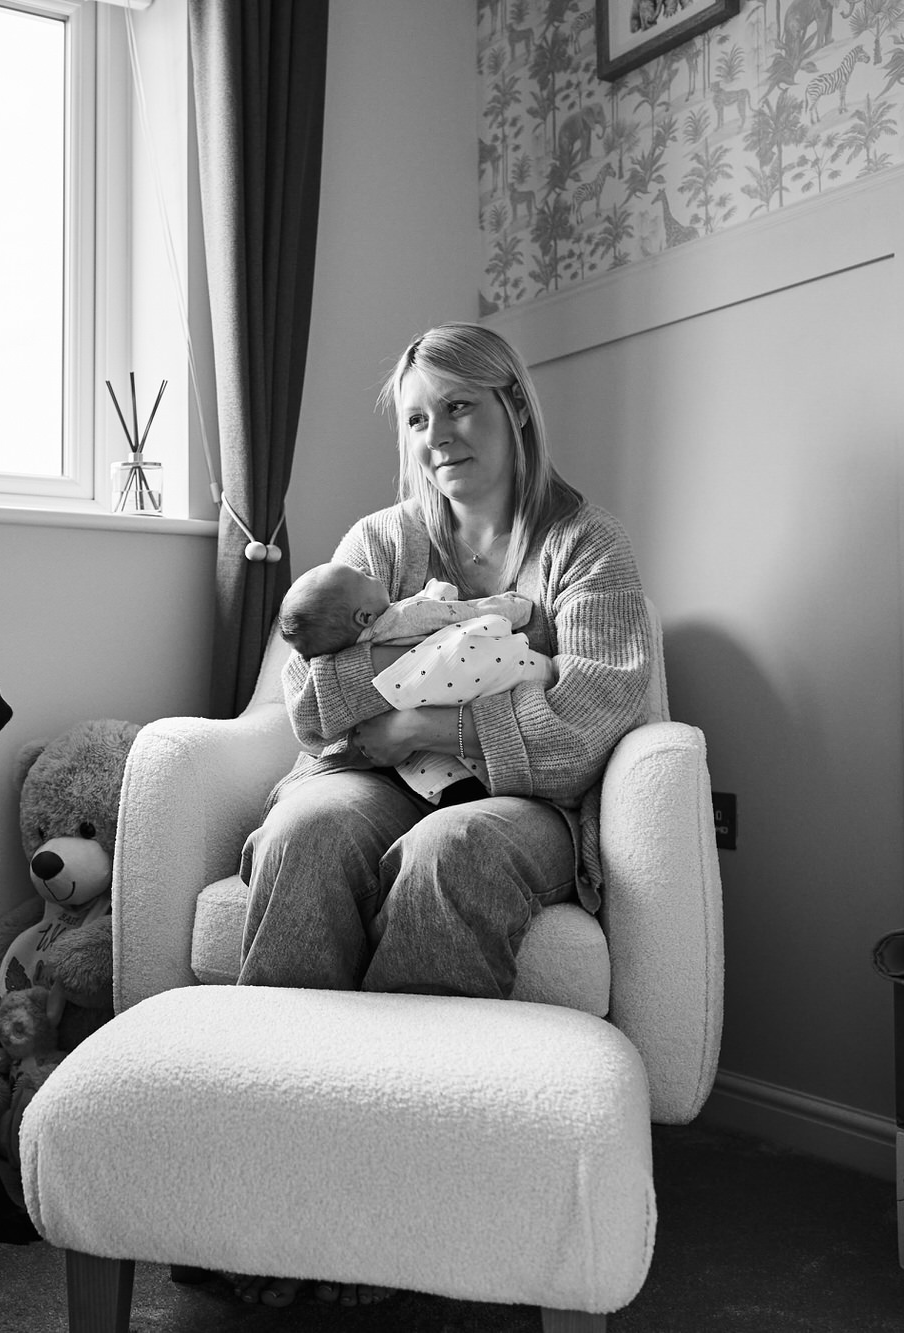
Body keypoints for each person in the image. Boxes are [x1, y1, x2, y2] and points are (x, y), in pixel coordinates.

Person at [229, 322, 653, 1309]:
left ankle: (407, 1200)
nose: (437, 435)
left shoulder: (585, 549)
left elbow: (586, 716)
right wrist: (433, 697)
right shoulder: (378, 544)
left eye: (457, 406)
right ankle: (271, 1184)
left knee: (446, 850)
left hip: (520, 803)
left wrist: (424, 717)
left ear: (510, 404)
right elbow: (311, 701)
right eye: (417, 418)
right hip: (368, 778)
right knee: (301, 834)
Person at [274, 561, 552, 799]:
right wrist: (514, 607)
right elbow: (465, 612)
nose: (364, 568)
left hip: (421, 768)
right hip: (497, 693)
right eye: (363, 576)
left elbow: (314, 678)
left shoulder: (342, 642)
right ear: (365, 616)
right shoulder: (405, 616)